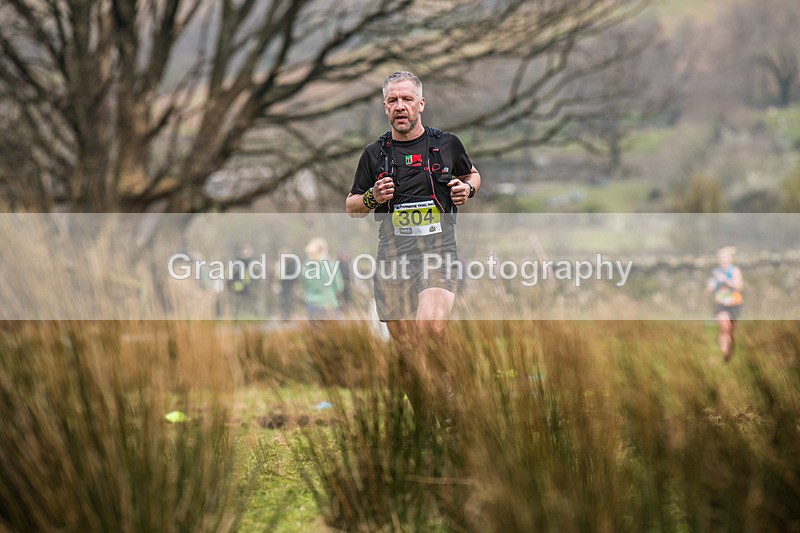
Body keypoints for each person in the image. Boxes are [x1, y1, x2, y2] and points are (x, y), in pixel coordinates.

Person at [345, 71, 481, 420]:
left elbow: (471, 175)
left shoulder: (447, 144)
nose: (400, 106)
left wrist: (469, 190)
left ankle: (450, 399)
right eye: (393, 100)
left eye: (406, 99)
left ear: (421, 104)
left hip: (439, 254)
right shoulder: (374, 154)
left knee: (431, 330)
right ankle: (425, 417)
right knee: (406, 350)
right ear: (385, 107)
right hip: (393, 259)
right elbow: (352, 207)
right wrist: (374, 198)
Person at [705, 246, 744, 362]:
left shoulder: (735, 270)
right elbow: (709, 288)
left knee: (731, 330)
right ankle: (725, 352)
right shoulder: (715, 272)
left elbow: (739, 286)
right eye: (721, 258)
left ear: (730, 259)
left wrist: (726, 280)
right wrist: (711, 287)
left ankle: (730, 346)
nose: (723, 260)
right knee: (724, 327)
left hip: (734, 303)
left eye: (726, 258)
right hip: (720, 303)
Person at [302, 237, 343, 320]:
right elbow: (338, 287)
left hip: (312, 305)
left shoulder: (304, 268)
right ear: (324, 250)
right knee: (332, 333)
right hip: (329, 304)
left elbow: (305, 286)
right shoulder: (331, 265)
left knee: (315, 333)